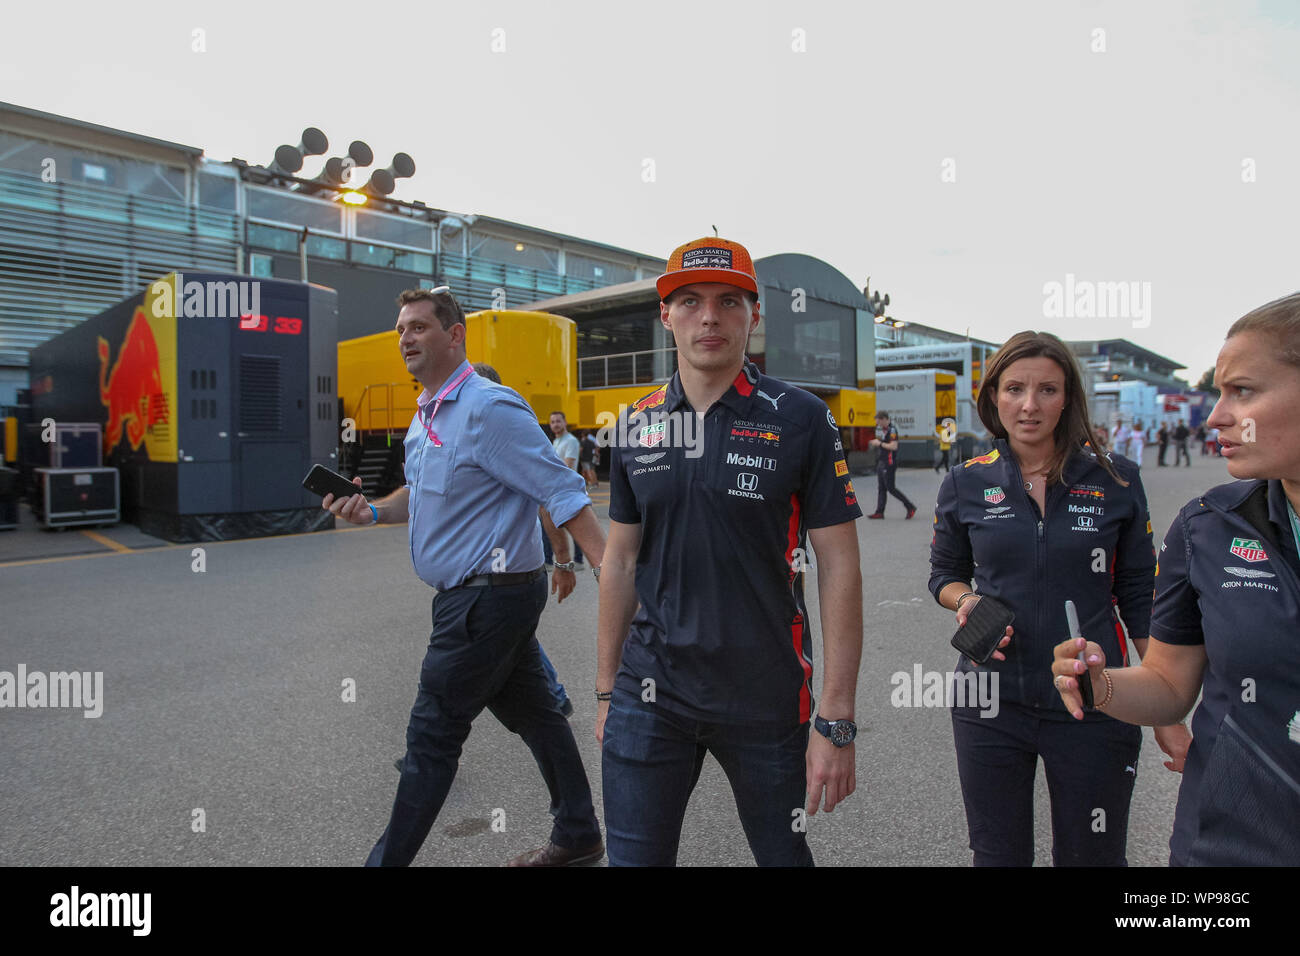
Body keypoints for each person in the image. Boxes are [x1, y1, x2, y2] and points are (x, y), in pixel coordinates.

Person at [596, 235, 863, 866]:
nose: (708, 317)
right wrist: (608, 690)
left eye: (727, 302)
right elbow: (620, 561)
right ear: (666, 315)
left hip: (764, 696)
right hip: (650, 693)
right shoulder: (635, 422)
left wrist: (837, 718)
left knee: (782, 856)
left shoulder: (800, 418)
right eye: (689, 302)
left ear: (754, 314)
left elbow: (841, 567)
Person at [325, 287, 606, 867]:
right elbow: (419, 493)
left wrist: (607, 567)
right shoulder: (425, 412)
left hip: (486, 601)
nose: (406, 338)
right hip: (476, 598)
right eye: (401, 329)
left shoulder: (488, 407)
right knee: (539, 717)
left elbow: (558, 487)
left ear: (456, 336)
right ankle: (579, 832)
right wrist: (373, 509)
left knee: (431, 737)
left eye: (420, 327)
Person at [1052, 291, 1300, 865]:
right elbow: (1168, 686)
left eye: (1242, 391)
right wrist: (1097, 683)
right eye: (1218, 392)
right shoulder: (1207, 526)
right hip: (1225, 852)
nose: (1215, 416)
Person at [929, 330, 1186, 866]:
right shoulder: (964, 482)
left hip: (1096, 697)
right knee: (997, 857)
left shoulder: (1116, 478)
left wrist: (1165, 705)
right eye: (1015, 388)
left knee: (1092, 856)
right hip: (988, 701)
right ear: (993, 395)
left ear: (1067, 397)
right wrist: (965, 603)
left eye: (1047, 389)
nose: (1029, 405)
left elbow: (1140, 594)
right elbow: (945, 574)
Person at [544, 411, 584, 566]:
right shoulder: (556, 442)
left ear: (565, 422)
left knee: (574, 527)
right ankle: (549, 560)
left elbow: (567, 467)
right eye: (552, 422)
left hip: (566, 490)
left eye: (558, 421)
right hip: (556, 490)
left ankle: (578, 561)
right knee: (550, 527)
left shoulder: (571, 441)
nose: (555, 424)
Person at [868, 411, 917, 519]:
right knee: (881, 488)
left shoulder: (892, 430)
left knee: (891, 488)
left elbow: (894, 446)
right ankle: (879, 512)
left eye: (879, 422)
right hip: (882, 462)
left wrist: (879, 443)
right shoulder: (886, 431)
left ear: (884, 419)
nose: (878, 424)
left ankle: (910, 506)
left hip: (888, 463)